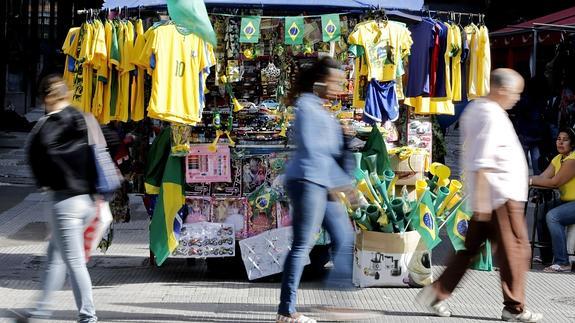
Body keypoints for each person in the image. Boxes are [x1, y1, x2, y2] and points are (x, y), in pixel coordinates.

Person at [415, 69, 543, 322]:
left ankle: (436, 293)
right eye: (515, 93)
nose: (517, 98)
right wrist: (483, 204)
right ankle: (514, 308)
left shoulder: (479, 109)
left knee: (470, 250)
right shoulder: (490, 114)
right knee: (515, 251)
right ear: (501, 90)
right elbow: (483, 161)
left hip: (492, 197)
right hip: (499, 197)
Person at [276, 57, 356, 323]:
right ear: (319, 82)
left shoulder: (325, 112)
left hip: (325, 182)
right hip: (307, 181)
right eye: (335, 82)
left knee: (345, 237)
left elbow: (334, 154)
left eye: (340, 83)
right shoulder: (306, 107)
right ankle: (286, 311)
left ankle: (336, 304)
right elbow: (314, 151)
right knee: (302, 244)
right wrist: (343, 183)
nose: (338, 88)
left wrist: (345, 139)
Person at [24, 75, 98, 322]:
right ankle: (41, 310)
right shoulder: (80, 118)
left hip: (64, 202)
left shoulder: (48, 124)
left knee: (74, 262)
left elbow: (35, 151)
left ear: (47, 97)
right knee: (55, 258)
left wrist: (45, 181)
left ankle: (88, 315)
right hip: (86, 199)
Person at [530, 128, 575, 272]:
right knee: (541, 212)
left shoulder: (572, 160)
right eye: (558, 139)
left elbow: (555, 182)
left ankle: (563, 262)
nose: (560, 142)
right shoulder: (558, 158)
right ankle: (547, 257)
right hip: (566, 201)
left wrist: (529, 181)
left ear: (572, 143)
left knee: (553, 217)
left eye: (565, 139)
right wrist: (527, 179)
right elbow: (543, 177)